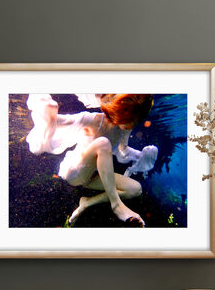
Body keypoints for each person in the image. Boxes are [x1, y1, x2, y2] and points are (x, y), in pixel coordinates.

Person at [26, 94, 158, 227]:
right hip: (74, 171)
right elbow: (59, 122)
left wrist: (141, 156)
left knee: (135, 189)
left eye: (136, 121)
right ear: (121, 112)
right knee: (103, 143)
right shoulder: (91, 120)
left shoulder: (124, 129)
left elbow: (123, 151)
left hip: (94, 175)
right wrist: (49, 114)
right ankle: (116, 204)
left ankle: (87, 203)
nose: (132, 125)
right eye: (131, 120)